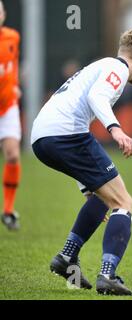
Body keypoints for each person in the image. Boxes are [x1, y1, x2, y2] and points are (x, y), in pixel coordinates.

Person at [31, 28, 132, 295]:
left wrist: (86, 185)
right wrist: (116, 129)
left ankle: (67, 258)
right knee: (124, 202)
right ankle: (108, 275)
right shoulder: (119, 69)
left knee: (100, 198)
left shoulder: (100, 65)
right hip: (67, 135)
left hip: (42, 137)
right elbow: (97, 97)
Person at [0, 1, 22, 231]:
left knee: (13, 155)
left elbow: (11, 65)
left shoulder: (12, 37)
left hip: (7, 106)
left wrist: (14, 85)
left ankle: (8, 211)